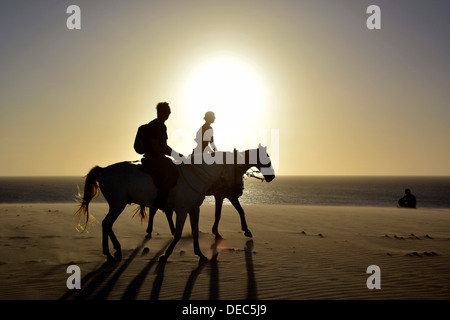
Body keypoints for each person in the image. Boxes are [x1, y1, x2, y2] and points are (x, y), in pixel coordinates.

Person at [141, 102, 182, 211]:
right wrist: (175, 155)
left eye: (169, 113)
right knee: (173, 172)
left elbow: (164, 146)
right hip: (153, 158)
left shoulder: (161, 126)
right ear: (160, 113)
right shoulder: (156, 126)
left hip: (157, 157)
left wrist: (177, 155)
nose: (168, 115)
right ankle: (160, 199)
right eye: (166, 112)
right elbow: (157, 148)